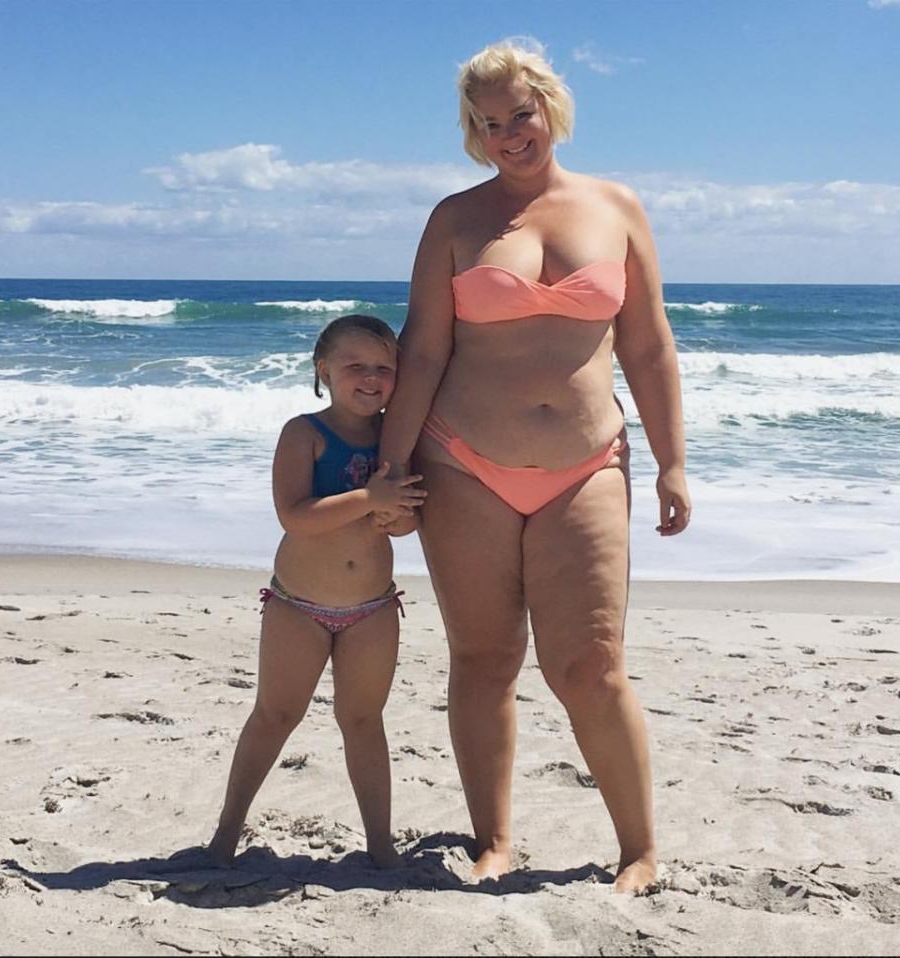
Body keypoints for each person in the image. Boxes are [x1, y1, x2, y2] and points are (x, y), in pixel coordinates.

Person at [377, 40, 691, 893]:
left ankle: (639, 851)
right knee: (483, 658)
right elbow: (424, 348)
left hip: (587, 467)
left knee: (590, 667)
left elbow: (650, 346)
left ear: (550, 105)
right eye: (489, 123)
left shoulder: (615, 207)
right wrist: (390, 467)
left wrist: (672, 463)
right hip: (461, 464)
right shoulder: (454, 220)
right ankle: (495, 842)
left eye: (522, 113)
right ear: (473, 134)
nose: (510, 133)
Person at [207, 314, 425, 869]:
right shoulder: (303, 433)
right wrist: (371, 498)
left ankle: (380, 846)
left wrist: (397, 519)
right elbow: (295, 516)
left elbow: (410, 517)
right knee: (275, 716)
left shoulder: (398, 439)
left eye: (384, 367)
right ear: (323, 370)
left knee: (362, 721)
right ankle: (225, 836)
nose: (371, 378)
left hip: (373, 609)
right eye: (356, 367)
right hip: (296, 606)